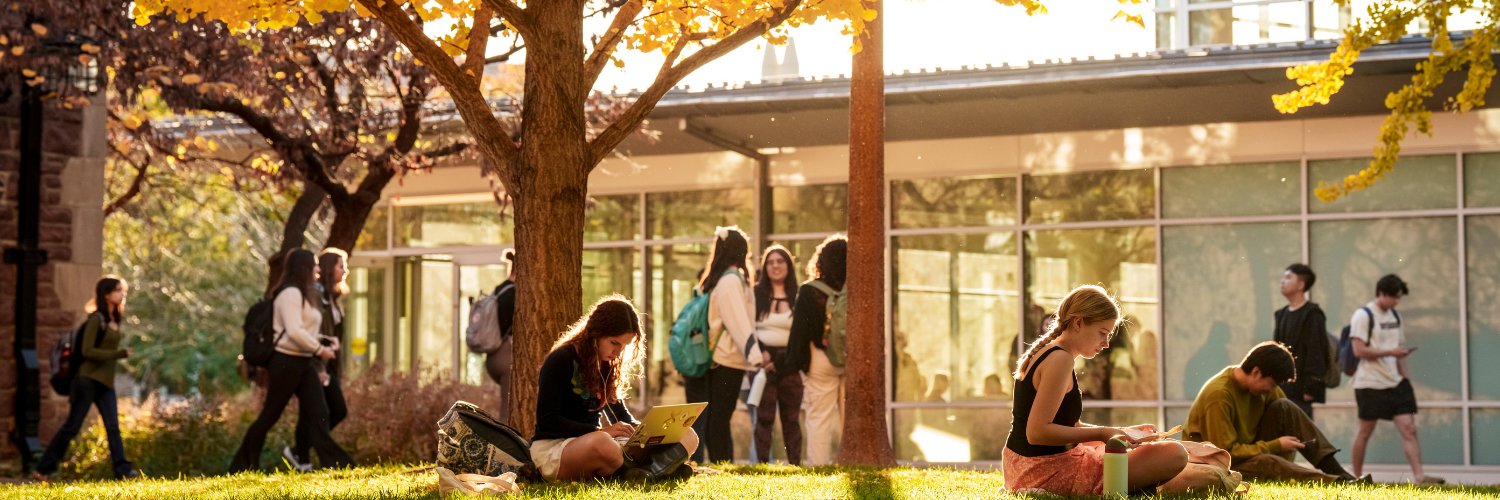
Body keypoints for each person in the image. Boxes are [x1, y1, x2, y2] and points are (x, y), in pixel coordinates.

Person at [1003, 285, 1186, 495]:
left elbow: (1066, 426)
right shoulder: (1060, 360)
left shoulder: (1052, 353)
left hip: (1025, 467)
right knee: (1175, 453)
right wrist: (1102, 433)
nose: (1106, 343)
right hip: (1044, 471)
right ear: (1078, 322)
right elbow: (1037, 433)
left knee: (1153, 452)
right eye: (1102, 333)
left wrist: (1121, 432)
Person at [530, 295, 698, 481]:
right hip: (557, 448)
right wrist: (599, 432)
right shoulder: (560, 359)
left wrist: (641, 432)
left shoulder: (606, 363)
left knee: (688, 434)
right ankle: (663, 471)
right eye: (614, 343)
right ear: (595, 333)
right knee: (603, 444)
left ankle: (648, 474)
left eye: (624, 346)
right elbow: (548, 421)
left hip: (599, 443)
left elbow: (621, 416)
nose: (618, 352)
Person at [230, 249, 354, 473]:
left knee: (319, 414)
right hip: (285, 363)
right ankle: (243, 464)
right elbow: (294, 332)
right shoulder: (290, 294)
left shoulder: (306, 294)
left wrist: (326, 342)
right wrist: (320, 350)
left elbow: (304, 330)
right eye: (315, 265)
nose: (318, 269)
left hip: (303, 362)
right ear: (303, 267)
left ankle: (336, 463)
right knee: (270, 416)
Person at [1183, 341, 1361, 482]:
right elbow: (1225, 452)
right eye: (1273, 384)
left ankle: (1337, 471)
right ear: (1256, 372)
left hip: (1247, 451)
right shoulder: (1219, 395)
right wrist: (1276, 445)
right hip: (1215, 463)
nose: (1273, 389)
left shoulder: (1262, 389)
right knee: (1266, 462)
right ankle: (1336, 481)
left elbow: (1289, 417)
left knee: (1286, 406)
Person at [33, 277, 140, 481]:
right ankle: (43, 469)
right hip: (87, 381)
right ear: (107, 294)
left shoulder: (114, 320)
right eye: (118, 290)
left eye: (122, 290)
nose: (122, 294)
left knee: (113, 426)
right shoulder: (95, 319)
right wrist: (119, 354)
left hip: (105, 383)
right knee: (72, 426)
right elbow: (87, 351)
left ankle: (123, 471)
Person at [1348, 274, 1442, 484]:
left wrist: (1405, 379)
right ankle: (1354, 477)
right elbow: (1358, 350)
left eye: (1399, 297)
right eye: (1394, 297)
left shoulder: (1396, 316)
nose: (1396, 301)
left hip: (1396, 382)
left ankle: (1419, 476)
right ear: (1381, 293)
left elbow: (1399, 350)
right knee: (1365, 430)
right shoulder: (1363, 316)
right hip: (1370, 383)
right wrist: (1390, 352)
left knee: (1409, 428)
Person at [692, 226, 761, 463]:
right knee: (719, 417)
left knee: (717, 416)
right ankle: (723, 464)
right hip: (726, 358)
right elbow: (737, 322)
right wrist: (755, 355)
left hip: (722, 358)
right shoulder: (731, 280)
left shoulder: (724, 278)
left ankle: (723, 463)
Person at [781, 234, 847, 466]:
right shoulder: (858, 290)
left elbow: (799, 332)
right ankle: (851, 463)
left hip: (820, 359)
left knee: (819, 417)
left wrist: (798, 363)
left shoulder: (810, 291)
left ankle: (818, 465)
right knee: (850, 417)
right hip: (852, 359)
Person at [285, 248, 352, 472]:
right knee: (322, 411)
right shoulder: (316, 294)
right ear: (327, 268)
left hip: (327, 362)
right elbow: (308, 331)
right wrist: (319, 366)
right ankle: (322, 458)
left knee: (324, 412)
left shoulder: (333, 297)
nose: (345, 271)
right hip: (314, 363)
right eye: (341, 266)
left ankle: (299, 452)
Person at [750, 244, 802, 465]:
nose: (775, 266)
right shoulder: (755, 295)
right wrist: (761, 353)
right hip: (762, 364)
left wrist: (781, 362)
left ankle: (795, 464)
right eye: (770, 262)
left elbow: (800, 335)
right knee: (764, 419)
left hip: (789, 364)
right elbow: (747, 327)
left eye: (780, 261)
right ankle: (762, 465)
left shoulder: (798, 296)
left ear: (788, 266)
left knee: (791, 419)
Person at [1273, 263, 1329, 418]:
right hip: (1281, 388)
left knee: (1300, 436)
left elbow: (1317, 351)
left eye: (1288, 277)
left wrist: (1311, 387)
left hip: (1302, 390)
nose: (1282, 281)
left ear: (1301, 285)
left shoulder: (1312, 314)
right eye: (1283, 277)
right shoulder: (1281, 314)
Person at [487, 249, 518, 423]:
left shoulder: (500, 289)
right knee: (507, 414)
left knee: (508, 406)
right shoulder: (514, 293)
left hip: (493, 355)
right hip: (506, 355)